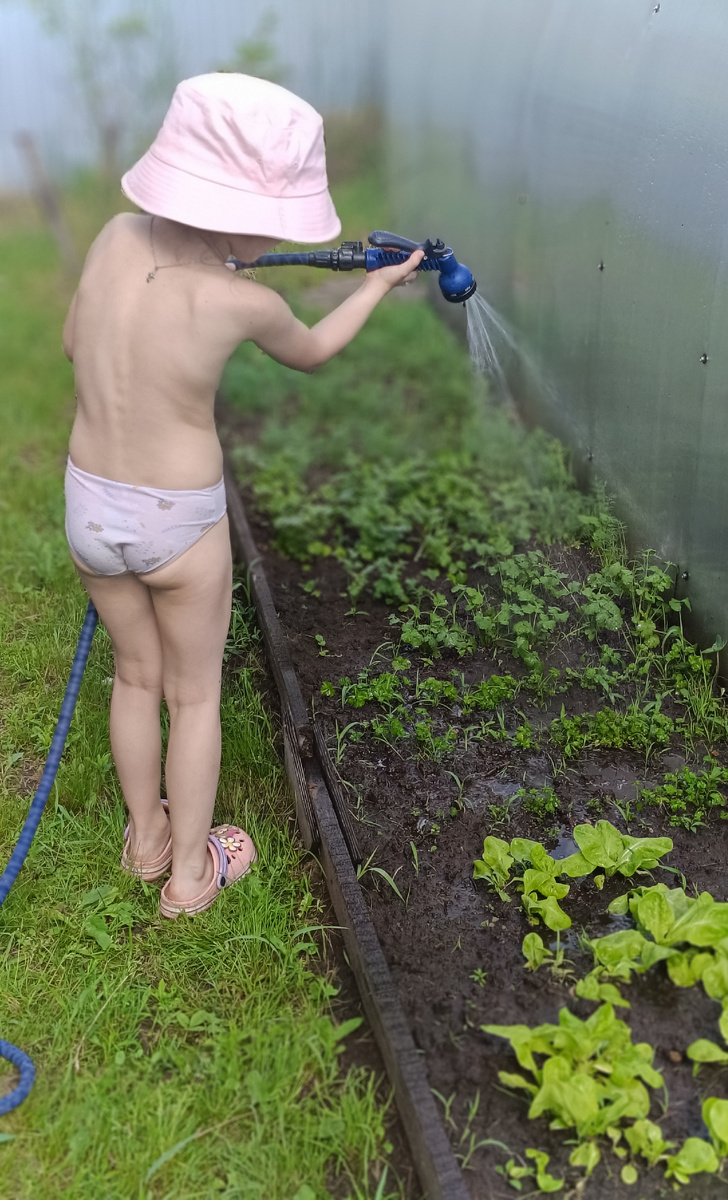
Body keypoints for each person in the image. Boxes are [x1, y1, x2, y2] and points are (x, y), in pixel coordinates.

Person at [62, 72, 423, 917]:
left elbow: (78, 343)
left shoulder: (113, 234)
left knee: (133, 675)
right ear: (236, 212)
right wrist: (373, 285)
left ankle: (143, 838)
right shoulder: (241, 301)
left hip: (89, 504)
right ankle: (192, 875)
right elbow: (313, 349)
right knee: (192, 694)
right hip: (178, 523)